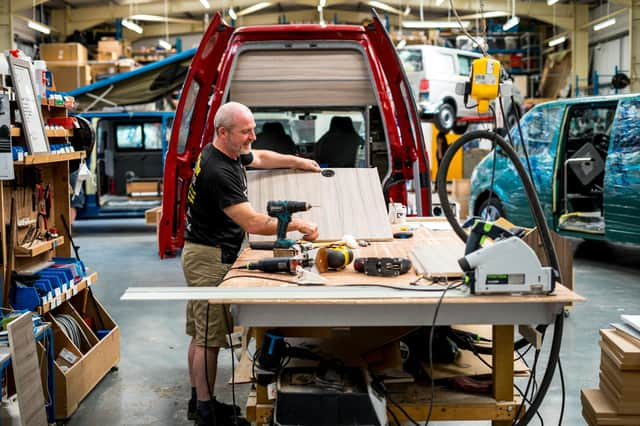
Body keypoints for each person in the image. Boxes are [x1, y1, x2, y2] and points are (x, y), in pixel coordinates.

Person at [183, 101, 321, 426]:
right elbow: (254, 224)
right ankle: (205, 411)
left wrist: (300, 161)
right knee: (208, 338)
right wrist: (299, 225)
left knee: (200, 333)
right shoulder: (219, 171)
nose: (253, 137)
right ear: (223, 132)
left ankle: (197, 400)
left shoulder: (227, 152)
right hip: (209, 256)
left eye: (252, 129)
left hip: (206, 251)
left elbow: (260, 158)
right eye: (246, 131)